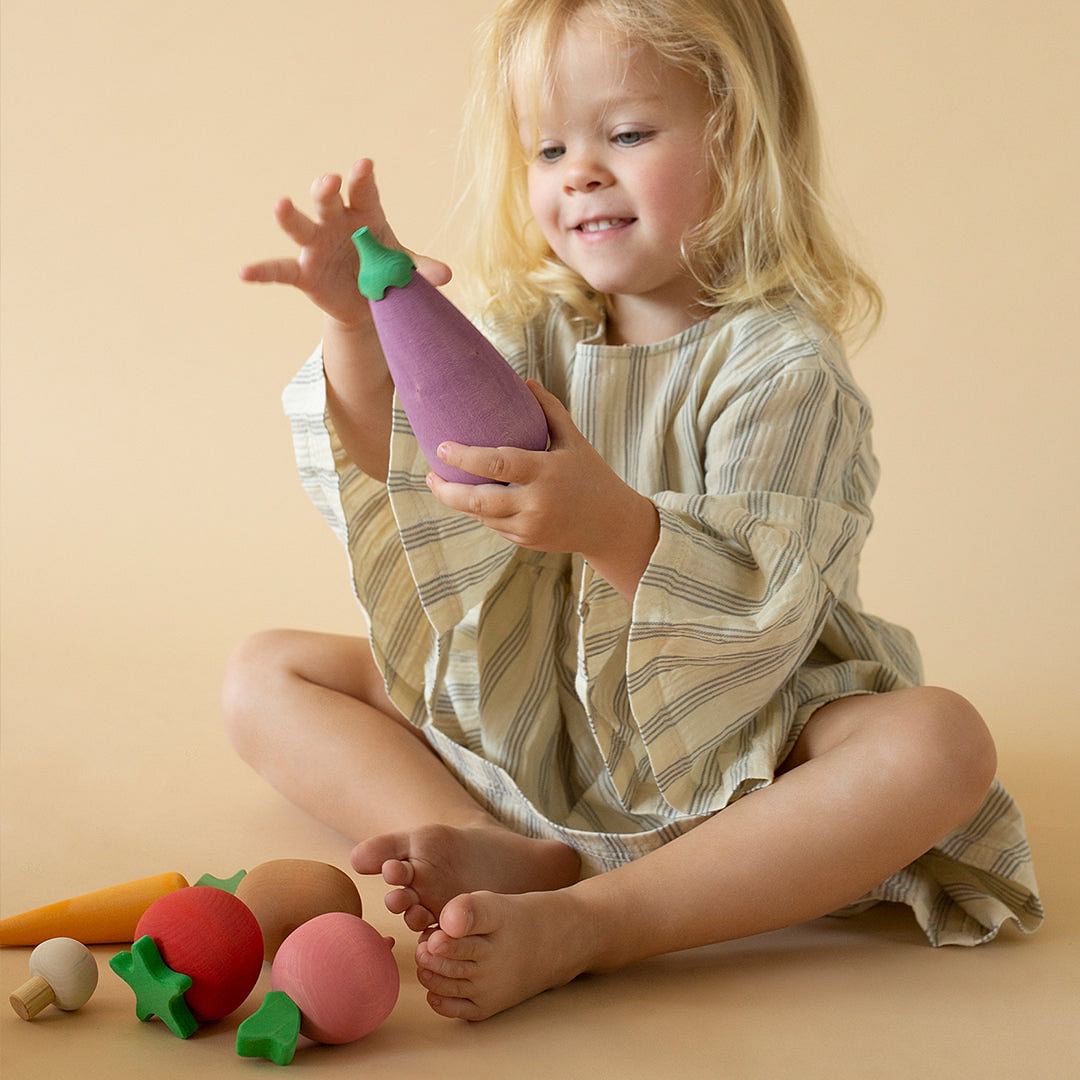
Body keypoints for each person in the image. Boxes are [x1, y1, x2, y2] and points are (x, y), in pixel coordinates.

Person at [229, 0, 1043, 1021]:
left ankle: (600, 920)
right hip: (546, 713)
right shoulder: (535, 328)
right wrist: (363, 326)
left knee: (938, 744)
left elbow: (765, 606)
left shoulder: (781, 369)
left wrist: (610, 523)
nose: (579, 173)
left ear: (740, 140)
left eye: (625, 134)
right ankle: (489, 843)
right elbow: (401, 457)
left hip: (738, 746)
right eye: (550, 148)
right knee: (266, 673)